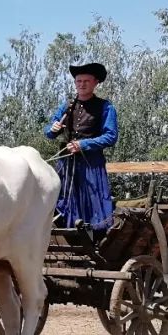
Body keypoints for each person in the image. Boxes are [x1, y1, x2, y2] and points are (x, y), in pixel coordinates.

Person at [44, 62, 118, 235]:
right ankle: (66, 235)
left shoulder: (105, 107)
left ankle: (97, 241)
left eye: (86, 81)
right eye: (78, 81)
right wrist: (52, 129)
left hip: (91, 164)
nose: (81, 84)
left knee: (93, 203)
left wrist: (84, 144)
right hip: (66, 163)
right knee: (61, 198)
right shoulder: (67, 106)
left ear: (95, 83)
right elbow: (49, 132)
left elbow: (110, 136)